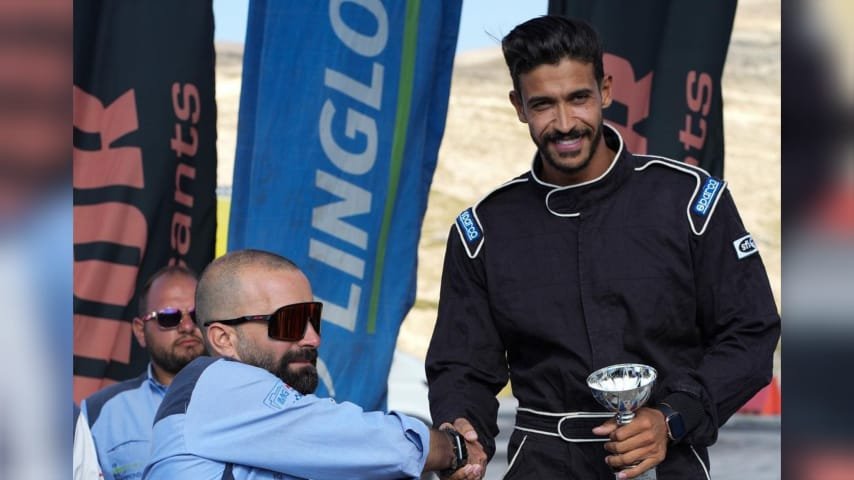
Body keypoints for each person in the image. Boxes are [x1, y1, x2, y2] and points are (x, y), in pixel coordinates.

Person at [425, 15, 781, 480]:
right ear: (518, 106)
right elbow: (462, 367)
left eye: (579, 98)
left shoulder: (691, 202)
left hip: (669, 467)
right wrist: (462, 433)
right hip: (540, 468)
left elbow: (750, 333)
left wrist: (673, 418)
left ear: (606, 90)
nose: (565, 123)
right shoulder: (484, 231)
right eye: (543, 105)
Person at [143, 249, 481, 479]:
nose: (313, 338)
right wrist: (453, 449)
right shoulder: (215, 383)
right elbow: (364, 440)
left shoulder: (253, 424)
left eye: (313, 319)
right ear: (223, 339)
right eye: (290, 322)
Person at [80, 265, 205, 480]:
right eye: (169, 317)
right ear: (140, 331)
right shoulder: (99, 412)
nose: (186, 326)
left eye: (196, 315)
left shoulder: (244, 398)